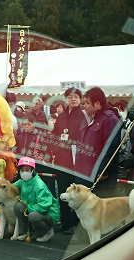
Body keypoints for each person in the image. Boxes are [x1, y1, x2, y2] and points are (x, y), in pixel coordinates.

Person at [51, 87, 87, 235]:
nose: (73, 99)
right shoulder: (61, 116)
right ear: (66, 99)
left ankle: (76, 224)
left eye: (76, 96)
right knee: (63, 191)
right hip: (61, 159)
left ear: (81, 99)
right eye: (71, 96)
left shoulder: (84, 116)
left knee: (76, 192)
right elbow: (54, 134)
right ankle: (65, 222)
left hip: (76, 160)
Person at [75, 87, 121, 198]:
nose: (84, 105)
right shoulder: (91, 117)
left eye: (87, 103)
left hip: (99, 175)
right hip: (85, 171)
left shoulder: (109, 119)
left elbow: (111, 146)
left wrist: (103, 170)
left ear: (97, 104)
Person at [13, 157, 60, 242]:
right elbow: (12, 188)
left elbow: (44, 207)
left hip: (49, 213)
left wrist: (29, 208)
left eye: (27, 170)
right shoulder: (22, 181)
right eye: (22, 170)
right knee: (18, 206)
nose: (24, 173)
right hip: (33, 208)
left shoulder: (39, 185)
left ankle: (47, 232)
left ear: (33, 171)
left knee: (33, 216)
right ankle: (26, 233)